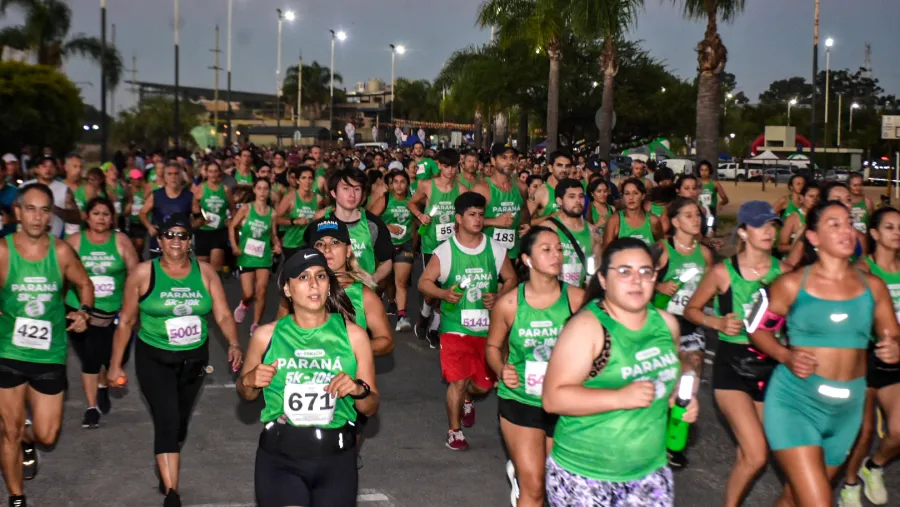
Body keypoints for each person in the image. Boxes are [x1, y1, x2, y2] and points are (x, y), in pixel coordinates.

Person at [749, 201, 900, 507]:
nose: (847, 231)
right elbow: (756, 328)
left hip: (847, 410)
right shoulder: (791, 284)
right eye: (834, 224)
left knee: (795, 497)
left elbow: (891, 333)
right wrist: (785, 355)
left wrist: (894, 347)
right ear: (814, 238)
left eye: (849, 223)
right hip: (797, 403)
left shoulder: (874, 287)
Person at [542, 238, 698, 507]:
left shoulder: (667, 324)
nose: (636, 280)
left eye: (645, 272)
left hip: (650, 473)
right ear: (603, 279)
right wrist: (619, 398)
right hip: (585, 477)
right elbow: (553, 399)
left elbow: (665, 379)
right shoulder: (587, 328)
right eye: (624, 272)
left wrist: (678, 399)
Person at [107, 213, 242, 507]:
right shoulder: (143, 274)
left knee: (179, 423)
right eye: (170, 235)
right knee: (167, 421)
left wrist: (233, 343)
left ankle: (167, 457)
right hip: (154, 357)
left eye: (182, 235)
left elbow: (221, 313)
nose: (176, 241)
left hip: (194, 360)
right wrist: (116, 364)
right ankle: (172, 494)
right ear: (160, 240)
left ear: (190, 241)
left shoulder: (205, 272)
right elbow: (127, 321)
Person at [237, 248, 379, 507]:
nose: (313, 284)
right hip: (280, 460)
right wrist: (249, 381)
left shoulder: (354, 336)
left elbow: (370, 406)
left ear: (329, 284)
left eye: (321, 276)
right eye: (303, 277)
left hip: (337, 460)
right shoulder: (266, 336)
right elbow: (246, 394)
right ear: (288, 290)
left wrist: (359, 390)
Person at [683, 200, 786, 506]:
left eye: (772, 225)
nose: (768, 231)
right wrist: (716, 321)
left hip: (771, 366)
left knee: (750, 450)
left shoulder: (787, 273)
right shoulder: (723, 272)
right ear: (742, 233)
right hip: (732, 365)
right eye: (759, 225)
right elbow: (691, 310)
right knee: (756, 454)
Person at [0, 184, 92, 507]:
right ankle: (16, 497)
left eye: (44, 210)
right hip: (8, 352)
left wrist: (84, 312)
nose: (38, 217)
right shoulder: (3, 251)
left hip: (49, 353)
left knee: (47, 435)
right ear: (17, 213)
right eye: (31, 209)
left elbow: (85, 284)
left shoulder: (62, 251)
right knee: (8, 430)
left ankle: (29, 440)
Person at [485, 226, 583, 507]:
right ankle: (525, 477)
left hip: (565, 403)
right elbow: (492, 347)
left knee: (558, 485)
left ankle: (523, 471)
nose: (557, 255)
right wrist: (501, 369)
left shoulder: (578, 300)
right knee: (535, 490)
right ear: (527, 259)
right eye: (547, 249)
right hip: (521, 400)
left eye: (560, 250)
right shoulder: (509, 304)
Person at [418, 192, 517, 450]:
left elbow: (511, 279)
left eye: (481, 215)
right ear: (459, 218)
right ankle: (454, 431)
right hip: (455, 327)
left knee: (482, 386)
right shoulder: (446, 251)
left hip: (486, 329)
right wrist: (443, 293)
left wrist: (498, 296)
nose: (477, 219)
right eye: (472, 215)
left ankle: (467, 400)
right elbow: (423, 283)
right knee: (458, 381)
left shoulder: (495, 250)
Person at [840, 207, 900, 507]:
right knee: (862, 433)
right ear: (874, 234)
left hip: (895, 357)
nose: (897, 232)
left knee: (899, 431)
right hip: (863, 359)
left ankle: (872, 467)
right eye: (889, 227)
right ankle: (849, 483)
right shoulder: (863, 271)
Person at [65, 197, 139, 428]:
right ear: (87, 217)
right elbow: (61, 273)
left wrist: (136, 302)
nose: (101, 218)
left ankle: (103, 384)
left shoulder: (121, 240)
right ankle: (91, 407)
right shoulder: (75, 241)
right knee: (90, 358)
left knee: (117, 356)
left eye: (106, 214)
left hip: (113, 311)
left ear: (112, 218)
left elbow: (135, 273)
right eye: (96, 213)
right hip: (80, 311)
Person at [408, 149, 468, 346]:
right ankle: (425, 313)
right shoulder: (427, 185)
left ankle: (435, 326)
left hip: (452, 245)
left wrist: (460, 223)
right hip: (431, 244)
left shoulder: (461, 190)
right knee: (431, 286)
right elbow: (412, 203)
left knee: (447, 287)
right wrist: (420, 216)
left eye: (454, 166)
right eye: (447, 166)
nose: (450, 170)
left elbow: (465, 215)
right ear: (439, 166)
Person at [311, 168, 394, 284]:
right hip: (328, 292)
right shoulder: (321, 223)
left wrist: (373, 279)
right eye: (345, 189)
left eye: (357, 189)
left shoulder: (373, 224)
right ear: (333, 193)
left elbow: (386, 260)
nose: (352, 195)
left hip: (362, 295)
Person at [230, 178, 282, 336]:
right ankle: (244, 304)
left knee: (261, 290)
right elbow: (232, 225)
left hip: (263, 255)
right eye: (259, 188)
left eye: (265, 188)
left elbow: (273, 234)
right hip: (246, 255)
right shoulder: (246, 208)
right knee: (248, 293)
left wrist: (277, 244)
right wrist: (234, 245)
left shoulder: (272, 213)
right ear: (254, 190)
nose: (262, 192)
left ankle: (255, 324)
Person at [369, 170, 415, 330]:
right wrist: (387, 227)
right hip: (385, 245)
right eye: (396, 182)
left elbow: (417, 222)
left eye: (403, 181)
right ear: (391, 184)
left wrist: (414, 244)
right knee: (382, 282)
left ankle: (402, 318)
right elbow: (369, 219)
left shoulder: (412, 200)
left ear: (408, 184)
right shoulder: (385, 199)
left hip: (405, 244)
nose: (399, 185)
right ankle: (376, 308)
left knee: (401, 282)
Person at [476, 143, 531, 261]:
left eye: (512, 158)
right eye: (504, 157)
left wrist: (527, 226)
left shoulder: (521, 188)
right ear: (493, 160)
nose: (509, 162)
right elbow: (465, 222)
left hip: (512, 254)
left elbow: (525, 215)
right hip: (486, 255)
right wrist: (494, 221)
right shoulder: (482, 188)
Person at [542, 179, 599, 288]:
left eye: (581, 196)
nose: (578, 201)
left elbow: (594, 269)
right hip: (550, 295)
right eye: (572, 197)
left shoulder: (593, 233)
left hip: (577, 296)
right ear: (559, 201)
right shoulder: (547, 228)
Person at [139, 162, 194, 259]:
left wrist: (188, 228)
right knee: (157, 271)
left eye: (176, 174)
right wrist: (149, 227)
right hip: (158, 243)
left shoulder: (189, 196)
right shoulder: (156, 195)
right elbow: (142, 213)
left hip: (180, 242)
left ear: (181, 176)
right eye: (169, 174)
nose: (173, 177)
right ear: (164, 177)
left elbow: (200, 218)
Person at [22, 155, 79, 239]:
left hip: (54, 241)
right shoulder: (25, 187)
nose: (48, 169)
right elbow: (16, 213)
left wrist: (55, 209)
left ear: (56, 170)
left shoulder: (64, 190)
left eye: (52, 166)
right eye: (44, 166)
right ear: (36, 169)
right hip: (27, 240)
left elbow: (76, 218)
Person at [192, 161, 235, 271]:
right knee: (202, 269)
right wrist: (200, 218)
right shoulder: (200, 189)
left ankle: (215, 287)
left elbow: (233, 208)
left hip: (219, 231)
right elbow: (192, 207)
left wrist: (231, 220)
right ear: (206, 173)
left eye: (216, 171)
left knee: (216, 267)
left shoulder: (225, 190)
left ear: (220, 173)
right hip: (203, 231)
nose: (213, 174)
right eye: (210, 172)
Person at [603, 178, 663, 247]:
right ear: (623, 196)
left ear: (643, 196)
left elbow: (663, 247)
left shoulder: (653, 221)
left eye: (635, 193)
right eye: (627, 193)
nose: (631, 197)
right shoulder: (615, 221)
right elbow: (606, 251)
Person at [277, 166, 319, 260]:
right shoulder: (290, 198)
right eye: (303, 178)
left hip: (310, 243)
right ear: (298, 180)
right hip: (292, 243)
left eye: (310, 178)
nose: (307, 181)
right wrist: (294, 221)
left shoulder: (318, 199)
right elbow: (276, 219)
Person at [529, 151, 572, 224]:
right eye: (559, 165)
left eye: (567, 166)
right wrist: (551, 217)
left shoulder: (574, 189)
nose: (564, 170)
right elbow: (526, 223)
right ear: (550, 168)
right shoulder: (541, 191)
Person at [777, 182, 820, 255]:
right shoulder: (794, 217)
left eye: (817, 196)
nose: (815, 200)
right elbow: (781, 247)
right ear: (802, 198)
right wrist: (802, 247)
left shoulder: (821, 217)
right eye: (811, 196)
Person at [697, 160, 729, 228]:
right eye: (702, 170)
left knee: (710, 232)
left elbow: (725, 199)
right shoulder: (695, 184)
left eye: (706, 170)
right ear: (699, 171)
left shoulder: (715, 184)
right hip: (698, 212)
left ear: (710, 171)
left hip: (711, 212)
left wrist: (721, 203)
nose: (704, 172)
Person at [125, 168, 148, 255]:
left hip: (140, 221)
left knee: (140, 244)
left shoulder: (144, 190)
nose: (138, 181)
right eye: (136, 179)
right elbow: (125, 208)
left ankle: (138, 257)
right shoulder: (127, 190)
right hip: (130, 221)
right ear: (131, 179)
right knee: (131, 245)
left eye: (139, 178)